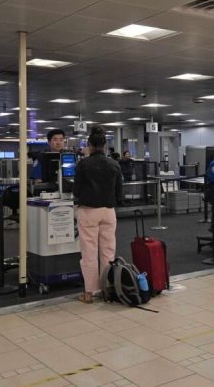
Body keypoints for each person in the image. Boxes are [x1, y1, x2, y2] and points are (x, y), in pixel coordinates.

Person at [73, 126, 122, 304]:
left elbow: (76, 190)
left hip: (88, 211)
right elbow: (119, 192)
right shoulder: (114, 164)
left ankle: (89, 293)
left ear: (90, 145)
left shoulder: (83, 164)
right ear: (105, 145)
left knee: (89, 252)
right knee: (108, 251)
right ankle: (106, 289)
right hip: (108, 211)